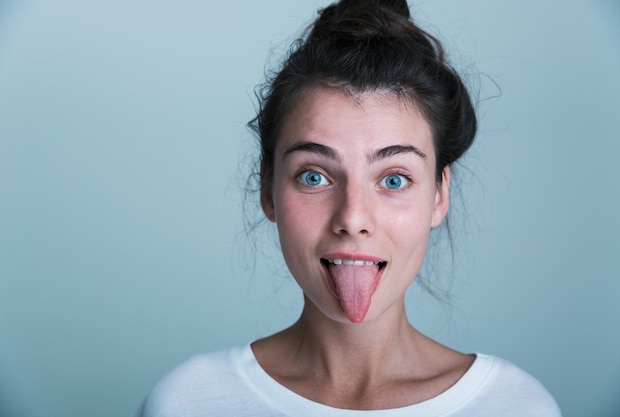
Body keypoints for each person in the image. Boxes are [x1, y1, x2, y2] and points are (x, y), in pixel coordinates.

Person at [139, 0, 561, 415]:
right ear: (268, 190)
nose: (353, 219)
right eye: (314, 176)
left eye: (394, 180)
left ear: (438, 195)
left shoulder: (516, 405)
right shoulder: (187, 401)